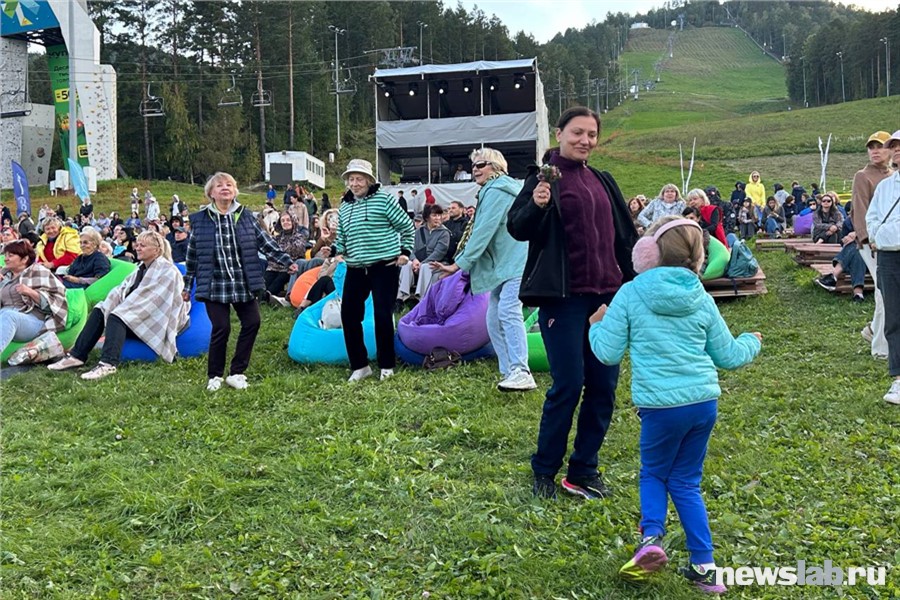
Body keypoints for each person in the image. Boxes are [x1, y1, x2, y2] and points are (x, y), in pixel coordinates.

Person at [588, 217, 761, 595]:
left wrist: (596, 324)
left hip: (660, 407)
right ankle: (705, 568)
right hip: (703, 404)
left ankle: (651, 538)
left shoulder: (631, 293)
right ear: (699, 258)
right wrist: (752, 340)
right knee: (685, 481)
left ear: (648, 253)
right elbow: (729, 355)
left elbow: (607, 353)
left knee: (653, 473)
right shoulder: (701, 296)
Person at [507, 106, 639, 500]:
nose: (585, 140)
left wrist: (636, 283)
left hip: (607, 300)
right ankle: (544, 470)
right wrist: (538, 205)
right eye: (577, 132)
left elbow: (625, 237)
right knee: (568, 383)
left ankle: (583, 470)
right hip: (563, 300)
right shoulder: (542, 178)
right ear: (560, 134)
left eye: (592, 134)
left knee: (603, 386)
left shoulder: (602, 180)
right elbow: (518, 228)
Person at [431, 148, 535, 391]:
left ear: (496, 167)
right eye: (473, 166)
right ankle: (509, 371)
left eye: (480, 165)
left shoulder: (498, 190)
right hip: (503, 264)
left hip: (515, 261)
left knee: (508, 311)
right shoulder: (492, 190)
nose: (474, 170)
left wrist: (459, 264)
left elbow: (483, 231)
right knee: (493, 317)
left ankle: (521, 370)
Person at [183, 172, 298, 391]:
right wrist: (187, 286)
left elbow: (265, 243)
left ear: (235, 191)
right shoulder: (200, 220)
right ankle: (215, 375)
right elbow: (192, 256)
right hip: (214, 284)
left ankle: (237, 372)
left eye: (229, 184)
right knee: (221, 327)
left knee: (252, 322)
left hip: (242, 282)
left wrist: (286, 261)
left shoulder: (245, 216)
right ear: (211, 193)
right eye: (219, 185)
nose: (225, 188)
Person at [48, 231, 189, 380]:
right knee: (100, 309)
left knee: (118, 315)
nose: (137, 248)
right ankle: (77, 356)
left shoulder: (167, 271)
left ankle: (108, 364)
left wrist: (124, 308)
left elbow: (156, 301)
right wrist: (112, 304)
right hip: (141, 312)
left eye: (143, 245)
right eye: (137, 245)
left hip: (159, 318)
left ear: (156, 250)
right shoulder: (140, 268)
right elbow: (121, 290)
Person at [334, 159, 415, 382]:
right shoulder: (345, 206)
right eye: (351, 179)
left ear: (369, 180)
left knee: (382, 314)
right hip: (355, 267)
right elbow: (342, 234)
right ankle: (360, 365)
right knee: (348, 315)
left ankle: (386, 365)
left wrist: (405, 251)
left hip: (384, 266)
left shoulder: (384, 200)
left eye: (359, 179)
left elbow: (406, 226)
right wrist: (337, 250)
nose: (354, 183)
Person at [866, 130, 900, 404]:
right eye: (894, 146)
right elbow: (872, 217)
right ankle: (899, 379)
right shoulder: (886, 187)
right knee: (894, 317)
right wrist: (879, 235)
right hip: (889, 257)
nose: (897, 150)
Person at [853, 131, 894, 360]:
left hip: (892, 242)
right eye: (871, 147)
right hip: (871, 243)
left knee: (887, 291)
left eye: (880, 146)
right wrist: (869, 240)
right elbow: (860, 210)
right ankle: (880, 347)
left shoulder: (894, 176)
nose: (875, 151)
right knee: (883, 292)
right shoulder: (863, 176)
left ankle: (873, 330)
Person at [0, 239, 69, 355]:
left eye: (10, 255)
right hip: (4, 315)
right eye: (5, 255)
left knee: (8, 316)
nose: (6, 259)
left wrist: (30, 292)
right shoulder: (5, 275)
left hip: (33, 320)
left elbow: (53, 305)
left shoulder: (38, 271)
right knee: (6, 314)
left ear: (25, 259)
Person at [398, 204, 449, 302]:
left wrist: (421, 264)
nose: (438, 218)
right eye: (434, 215)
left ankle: (422, 299)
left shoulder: (444, 233)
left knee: (426, 267)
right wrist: (414, 260)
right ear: (427, 217)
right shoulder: (418, 231)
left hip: (435, 262)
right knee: (406, 264)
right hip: (418, 261)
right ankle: (401, 297)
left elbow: (439, 253)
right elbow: (411, 248)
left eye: (439, 215)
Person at [814, 213, 867, 302]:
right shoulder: (848, 222)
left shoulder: (874, 218)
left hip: (873, 256)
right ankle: (858, 294)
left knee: (857, 246)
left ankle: (833, 276)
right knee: (856, 251)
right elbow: (843, 244)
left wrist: (859, 235)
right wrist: (846, 240)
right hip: (856, 258)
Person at [264, 212, 308, 302]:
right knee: (265, 283)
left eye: (288, 220)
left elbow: (297, 250)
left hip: (290, 267)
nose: (285, 222)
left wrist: (279, 252)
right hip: (274, 266)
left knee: (275, 285)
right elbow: (270, 251)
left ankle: (269, 297)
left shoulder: (300, 236)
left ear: (293, 221)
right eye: (283, 221)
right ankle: (265, 297)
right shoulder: (277, 238)